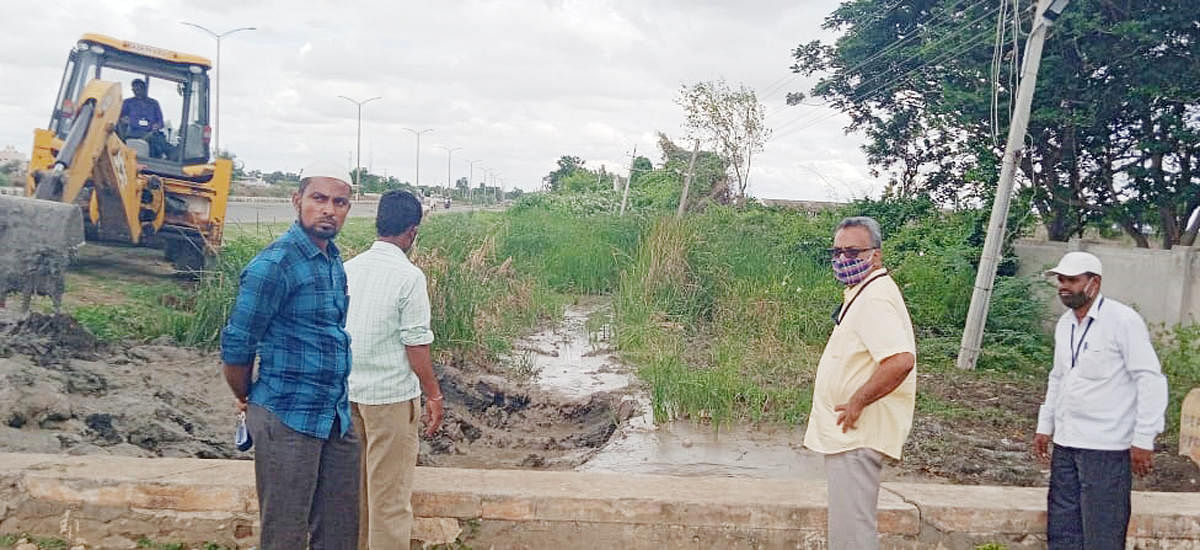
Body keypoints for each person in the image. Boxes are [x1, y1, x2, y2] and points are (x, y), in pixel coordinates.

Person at [220, 174, 359, 549]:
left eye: (339, 202)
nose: (328, 210)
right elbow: (237, 345)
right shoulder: (274, 265)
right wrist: (246, 396)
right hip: (286, 415)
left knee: (340, 532)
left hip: (333, 415)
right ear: (296, 200)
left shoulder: (331, 259)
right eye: (319, 198)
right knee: (284, 534)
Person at [1033, 251, 1168, 549]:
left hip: (1106, 447)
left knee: (1102, 533)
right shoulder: (1065, 324)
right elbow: (1058, 377)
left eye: (1072, 280)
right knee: (1064, 531)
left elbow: (1150, 379)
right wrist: (1046, 424)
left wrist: (1144, 437)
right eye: (1061, 280)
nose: (1064, 286)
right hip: (1067, 444)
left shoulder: (1123, 321)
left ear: (1094, 283)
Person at [803, 216, 917, 550]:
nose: (842, 260)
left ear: (876, 255)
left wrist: (857, 401)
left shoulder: (875, 299)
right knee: (848, 530)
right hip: (849, 434)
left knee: (852, 535)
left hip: (857, 431)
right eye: (837, 252)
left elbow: (900, 361)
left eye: (853, 252)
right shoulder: (863, 292)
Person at [344, 189, 444, 549]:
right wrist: (433, 393)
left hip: (349, 395)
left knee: (356, 498)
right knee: (389, 501)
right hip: (389, 399)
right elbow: (416, 345)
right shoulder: (409, 276)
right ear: (412, 232)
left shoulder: (348, 269)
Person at [119, 79, 168, 158]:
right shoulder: (127, 103)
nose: (137, 91)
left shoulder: (154, 103)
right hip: (131, 134)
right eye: (134, 89)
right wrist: (123, 120)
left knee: (158, 147)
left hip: (149, 135)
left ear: (144, 89)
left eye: (139, 89)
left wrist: (157, 126)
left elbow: (160, 122)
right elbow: (119, 118)